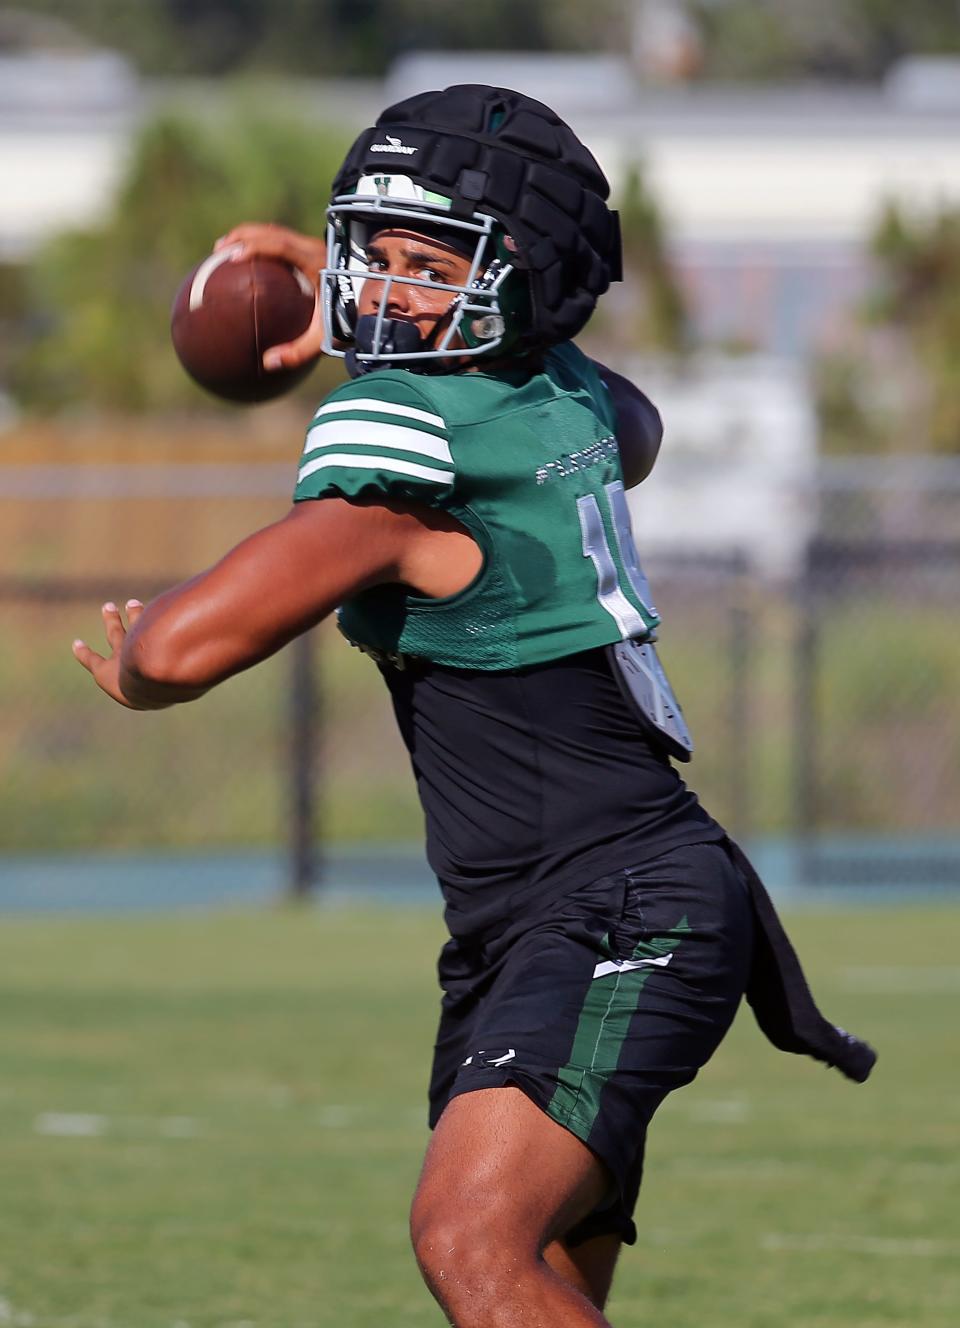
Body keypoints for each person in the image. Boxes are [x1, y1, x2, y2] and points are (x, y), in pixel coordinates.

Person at [74, 85, 874, 1328]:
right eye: (373, 258)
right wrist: (386, 285)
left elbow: (180, 652)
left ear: (527, 281)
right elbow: (628, 419)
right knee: (532, 1281)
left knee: (470, 1239)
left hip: (615, 898)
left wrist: (131, 669)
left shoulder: (403, 458)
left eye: (433, 267)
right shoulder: (574, 398)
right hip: (555, 906)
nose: (388, 294)